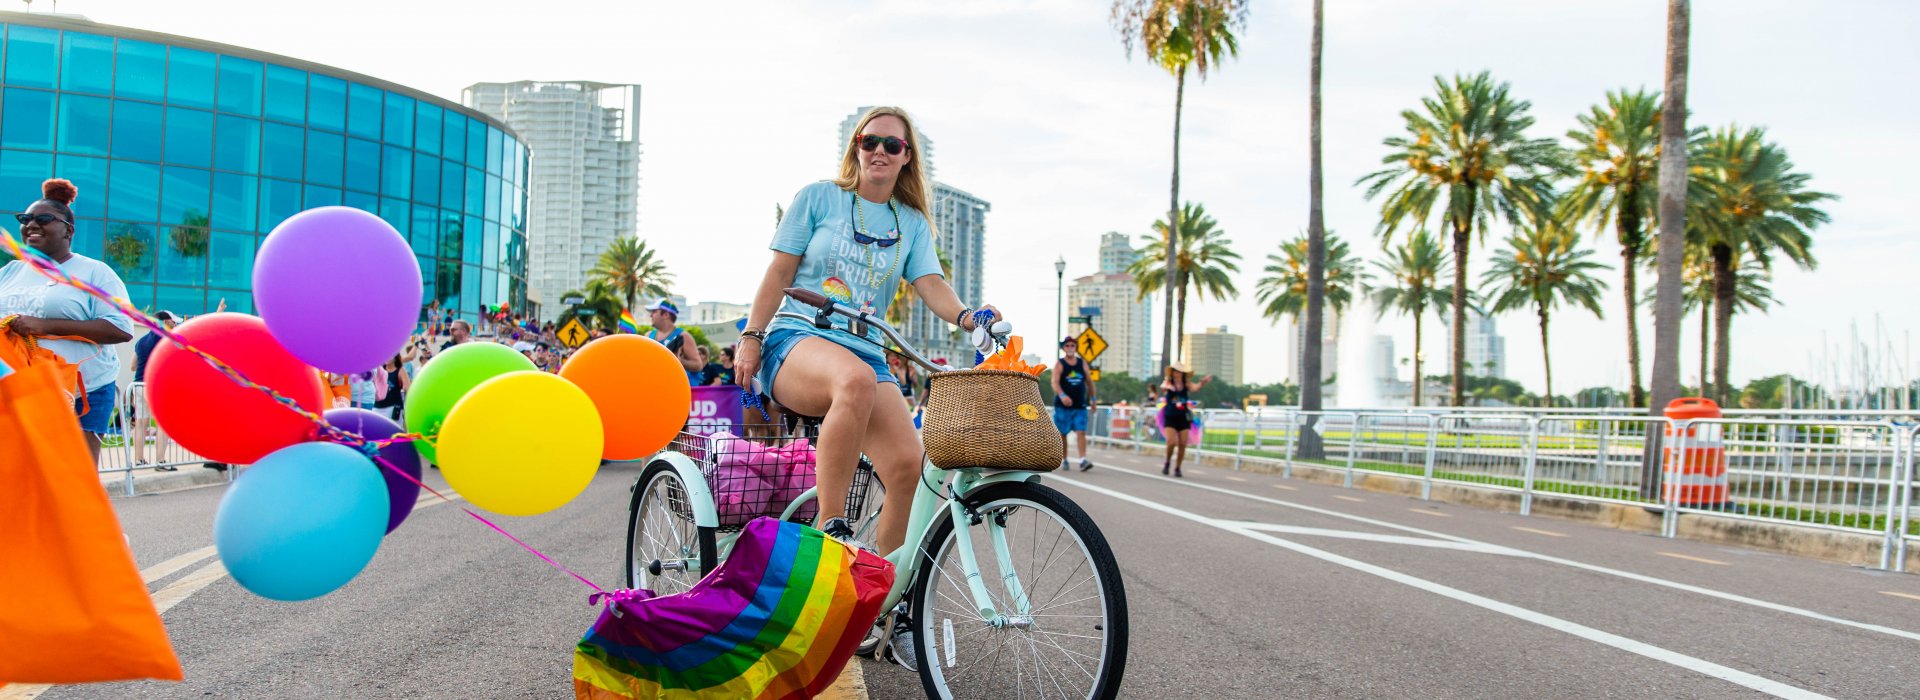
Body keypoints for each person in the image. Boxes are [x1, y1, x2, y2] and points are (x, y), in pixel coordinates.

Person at [734, 106, 997, 670]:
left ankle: (886, 607)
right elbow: (779, 275)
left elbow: (931, 284)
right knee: (850, 382)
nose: (879, 151)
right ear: (856, 147)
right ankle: (834, 537)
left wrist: (972, 320)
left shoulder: (911, 224)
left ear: (907, 158)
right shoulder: (818, 199)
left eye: (892, 145)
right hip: (797, 339)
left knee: (911, 466)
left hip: (867, 351)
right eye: (869, 140)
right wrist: (751, 337)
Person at [0, 179, 133, 464]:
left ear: (68, 230)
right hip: (20, 389)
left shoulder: (95, 272)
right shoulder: (11, 271)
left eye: (43, 219)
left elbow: (121, 328)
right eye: (26, 219)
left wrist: (44, 325)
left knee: (76, 476)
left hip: (80, 392)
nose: (31, 224)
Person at [131, 310, 179, 469]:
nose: (174, 324)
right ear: (165, 322)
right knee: (162, 424)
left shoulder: (141, 341)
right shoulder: (166, 339)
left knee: (140, 423)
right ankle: (160, 461)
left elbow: (133, 366)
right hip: (156, 385)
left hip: (138, 384)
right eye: (172, 321)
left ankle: (138, 460)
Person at [1159, 363, 1212, 477]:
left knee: (1183, 443)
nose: (1176, 374)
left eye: (1178, 372)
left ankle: (1178, 467)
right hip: (1170, 415)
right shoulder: (1169, 382)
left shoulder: (1186, 384)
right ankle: (1167, 462)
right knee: (1171, 442)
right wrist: (1169, 385)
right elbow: (1163, 388)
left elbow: (1195, 388)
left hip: (1183, 416)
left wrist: (1203, 382)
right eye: (1175, 371)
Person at [1051, 336, 1094, 471]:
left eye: (1072, 345)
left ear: (1076, 348)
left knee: (1081, 431)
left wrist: (1093, 399)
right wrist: (1062, 395)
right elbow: (1055, 382)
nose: (1070, 348)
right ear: (1064, 348)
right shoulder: (1060, 363)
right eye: (1067, 345)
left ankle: (1083, 460)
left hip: (1080, 405)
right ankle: (1065, 459)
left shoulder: (1082, 363)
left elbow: (1089, 382)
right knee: (1063, 433)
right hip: (1063, 406)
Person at [643, 299, 703, 384]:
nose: (651, 315)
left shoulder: (683, 336)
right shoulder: (648, 336)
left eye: (654, 312)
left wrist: (678, 360)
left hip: (675, 387)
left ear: (666, 315)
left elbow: (698, 365)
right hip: (654, 386)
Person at [373, 353, 409, 421]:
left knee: (393, 431)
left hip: (393, 408)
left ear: (395, 357)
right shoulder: (380, 369)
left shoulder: (400, 370)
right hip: (377, 407)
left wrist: (407, 407)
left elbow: (408, 389)